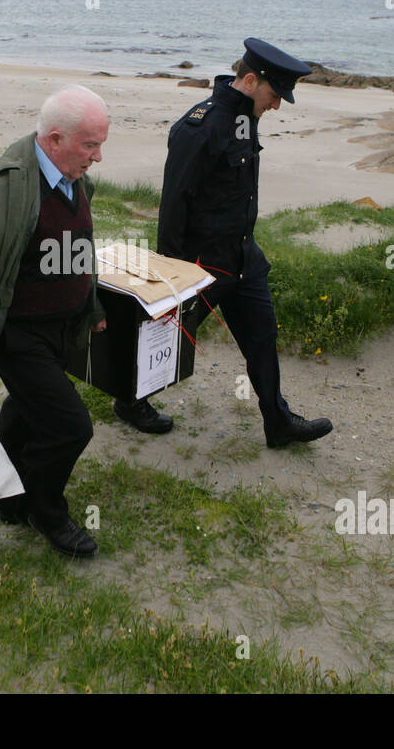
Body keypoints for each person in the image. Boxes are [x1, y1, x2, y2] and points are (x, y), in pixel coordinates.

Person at [135, 37, 333, 448]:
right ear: (249, 79)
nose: (277, 105)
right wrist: (173, 274)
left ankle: (277, 423)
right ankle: (130, 401)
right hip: (201, 265)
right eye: (275, 95)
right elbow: (174, 204)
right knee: (169, 340)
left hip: (243, 256)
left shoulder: (245, 115)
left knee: (262, 336)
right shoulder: (200, 127)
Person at [0, 85, 109, 558]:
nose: (96, 157)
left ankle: (6, 489)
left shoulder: (71, 174)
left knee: (29, 407)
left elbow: (78, 247)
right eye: (89, 145)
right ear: (55, 139)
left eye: (100, 145)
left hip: (60, 327)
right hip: (18, 332)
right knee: (71, 426)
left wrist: (90, 307)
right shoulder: (4, 188)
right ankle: (45, 509)